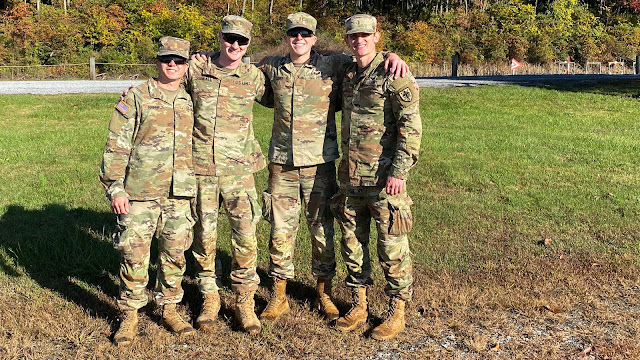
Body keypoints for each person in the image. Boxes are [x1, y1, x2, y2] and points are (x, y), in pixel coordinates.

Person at [256, 12, 410, 324]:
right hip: (282, 164)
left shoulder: (334, 65)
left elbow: (369, 56)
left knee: (322, 230)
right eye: (293, 33)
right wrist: (203, 58)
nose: (299, 39)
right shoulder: (272, 66)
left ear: (314, 38)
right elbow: (235, 67)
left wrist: (393, 55)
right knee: (279, 231)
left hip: (320, 165)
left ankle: (324, 292)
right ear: (286, 37)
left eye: (305, 34)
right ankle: (278, 294)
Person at [100, 36, 196, 346]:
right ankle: (129, 314)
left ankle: (169, 306)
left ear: (187, 64)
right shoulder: (137, 96)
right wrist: (115, 188)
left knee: (175, 253)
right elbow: (117, 145)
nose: (172, 64)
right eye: (167, 58)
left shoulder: (189, 98)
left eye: (179, 60)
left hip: (179, 192)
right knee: (134, 254)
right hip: (139, 191)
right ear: (157, 60)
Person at [331, 14, 422, 341]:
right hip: (352, 179)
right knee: (353, 244)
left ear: (376, 36)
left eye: (365, 35)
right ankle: (359, 305)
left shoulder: (394, 73)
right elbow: (311, 59)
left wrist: (399, 171)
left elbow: (410, 127)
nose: (360, 40)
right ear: (347, 40)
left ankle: (397, 310)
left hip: (385, 180)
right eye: (353, 36)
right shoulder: (348, 72)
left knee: (392, 247)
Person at [187, 15, 269, 336]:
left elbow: (293, 81)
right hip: (202, 167)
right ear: (220, 37)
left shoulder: (254, 76)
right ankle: (210, 298)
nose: (234, 45)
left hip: (238, 169)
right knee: (204, 235)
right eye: (229, 38)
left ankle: (244, 302)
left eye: (242, 41)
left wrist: (387, 56)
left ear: (248, 44)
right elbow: (168, 88)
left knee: (245, 235)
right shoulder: (197, 69)